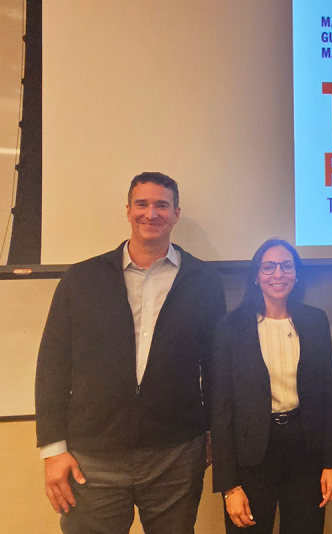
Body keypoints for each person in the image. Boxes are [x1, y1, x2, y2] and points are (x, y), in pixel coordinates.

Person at [35, 172, 227, 533]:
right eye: (142, 204)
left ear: (176, 213)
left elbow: (216, 366)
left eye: (161, 205)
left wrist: (217, 433)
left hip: (176, 454)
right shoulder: (82, 279)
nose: (151, 214)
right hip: (92, 458)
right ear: (128, 210)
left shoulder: (204, 281)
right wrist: (52, 448)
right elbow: (52, 365)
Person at [211, 238, 332, 534]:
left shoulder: (314, 320)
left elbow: (327, 394)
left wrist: (331, 462)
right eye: (269, 267)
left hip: (305, 451)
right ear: (256, 276)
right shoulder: (230, 327)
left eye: (287, 266)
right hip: (251, 455)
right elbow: (221, 408)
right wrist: (229, 486)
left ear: (297, 275)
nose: (278, 274)